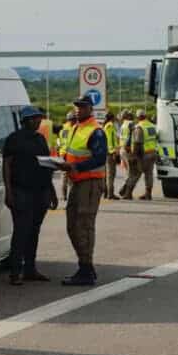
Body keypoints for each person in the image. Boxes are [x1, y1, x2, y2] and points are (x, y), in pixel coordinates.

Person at [3, 106, 58, 286]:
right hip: (21, 192)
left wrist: (52, 191)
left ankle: (30, 269)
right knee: (21, 231)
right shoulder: (14, 139)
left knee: (34, 231)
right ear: (25, 121)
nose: (38, 121)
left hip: (40, 191)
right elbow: (7, 166)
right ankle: (15, 271)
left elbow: (46, 165)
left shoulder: (40, 139)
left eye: (39, 118)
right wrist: (9, 192)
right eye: (34, 119)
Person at [58, 95, 107, 286]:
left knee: (83, 225)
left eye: (83, 106)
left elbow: (99, 158)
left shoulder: (96, 131)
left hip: (89, 183)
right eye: (77, 106)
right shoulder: (75, 128)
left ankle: (86, 269)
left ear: (90, 109)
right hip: (76, 182)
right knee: (72, 225)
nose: (79, 109)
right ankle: (86, 266)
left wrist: (76, 168)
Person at [122, 109, 158, 200]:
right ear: (145, 116)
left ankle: (128, 193)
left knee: (135, 173)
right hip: (153, 153)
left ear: (138, 117)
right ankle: (148, 194)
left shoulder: (139, 127)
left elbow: (138, 143)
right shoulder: (152, 126)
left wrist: (135, 156)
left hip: (144, 154)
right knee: (149, 174)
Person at [117, 110, 138, 198]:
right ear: (128, 116)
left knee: (129, 172)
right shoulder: (131, 123)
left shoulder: (123, 125)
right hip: (128, 150)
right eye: (131, 115)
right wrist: (130, 147)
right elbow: (131, 136)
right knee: (133, 173)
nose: (132, 116)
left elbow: (120, 137)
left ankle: (125, 189)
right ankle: (127, 192)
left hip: (122, 149)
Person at [58, 111, 77, 201]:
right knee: (69, 177)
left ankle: (64, 196)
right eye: (74, 119)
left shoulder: (63, 129)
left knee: (64, 176)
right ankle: (69, 196)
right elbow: (67, 143)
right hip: (68, 154)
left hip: (63, 154)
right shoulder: (72, 129)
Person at [102, 112, 120, 200]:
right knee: (110, 174)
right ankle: (110, 193)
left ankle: (106, 192)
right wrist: (113, 152)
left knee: (106, 174)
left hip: (106, 152)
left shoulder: (106, 126)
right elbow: (110, 140)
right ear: (112, 118)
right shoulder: (110, 126)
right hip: (110, 153)